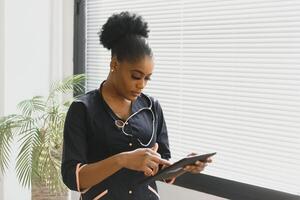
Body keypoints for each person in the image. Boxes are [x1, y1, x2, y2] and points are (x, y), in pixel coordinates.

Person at [61, 11, 212, 200]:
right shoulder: (83, 109)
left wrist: (182, 166)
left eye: (147, 78)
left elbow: (161, 169)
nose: (141, 85)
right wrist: (122, 160)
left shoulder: (152, 107)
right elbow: (72, 177)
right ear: (114, 64)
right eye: (135, 76)